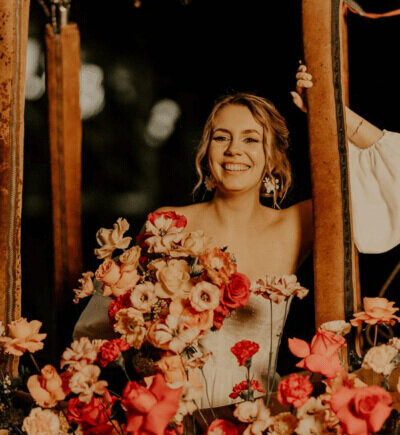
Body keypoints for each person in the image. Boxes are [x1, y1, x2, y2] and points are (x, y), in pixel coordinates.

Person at [74, 78, 400, 408]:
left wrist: (329, 110)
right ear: (206, 151)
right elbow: (100, 328)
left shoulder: (299, 224)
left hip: (256, 427)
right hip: (171, 425)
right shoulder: (167, 224)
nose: (234, 150)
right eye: (221, 137)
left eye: (251, 139)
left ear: (272, 157)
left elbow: (395, 182)